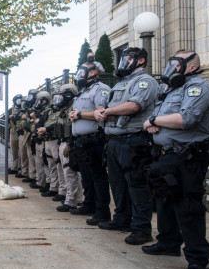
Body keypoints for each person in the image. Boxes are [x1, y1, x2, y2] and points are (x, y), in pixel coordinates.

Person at [142, 51, 209, 269]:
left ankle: (197, 258)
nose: (171, 67)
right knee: (164, 200)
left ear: (191, 67)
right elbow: (150, 118)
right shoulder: (170, 90)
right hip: (165, 155)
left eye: (177, 64)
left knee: (188, 206)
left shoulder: (199, 88)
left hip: (188, 157)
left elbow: (186, 119)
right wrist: (152, 122)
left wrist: (156, 121)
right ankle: (168, 242)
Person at [94, 47, 158, 245]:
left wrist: (109, 111)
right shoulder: (121, 83)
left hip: (134, 140)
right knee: (118, 184)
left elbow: (133, 106)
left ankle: (141, 228)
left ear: (140, 61)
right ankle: (122, 219)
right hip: (114, 140)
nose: (124, 62)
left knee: (137, 185)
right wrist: (100, 111)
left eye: (128, 58)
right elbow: (104, 105)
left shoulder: (145, 81)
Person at [68, 61, 111, 224]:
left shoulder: (101, 89)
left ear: (93, 72)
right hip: (81, 141)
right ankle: (89, 205)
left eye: (83, 71)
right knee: (86, 177)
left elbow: (101, 112)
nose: (80, 74)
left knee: (98, 177)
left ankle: (102, 212)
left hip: (94, 139)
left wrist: (79, 115)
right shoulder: (83, 91)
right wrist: (73, 116)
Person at [54, 84, 84, 212]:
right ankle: (77, 198)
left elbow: (74, 128)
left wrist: (70, 144)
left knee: (70, 172)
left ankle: (71, 201)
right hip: (63, 141)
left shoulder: (74, 106)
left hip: (69, 142)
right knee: (69, 172)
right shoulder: (65, 108)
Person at [31, 91, 52, 193]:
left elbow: (40, 123)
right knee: (40, 162)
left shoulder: (48, 111)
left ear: (44, 100)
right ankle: (41, 182)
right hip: (39, 140)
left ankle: (48, 183)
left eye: (39, 100)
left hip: (45, 140)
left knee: (46, 163)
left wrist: (35, 119)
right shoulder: (42, 111)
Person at [8, 95, 23, 174]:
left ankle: (20, 168)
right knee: (14, 150)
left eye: (20, 100)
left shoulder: (24, 109)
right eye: (17, 100)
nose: (19, 102)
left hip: (20, 131)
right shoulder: (12, 109)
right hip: (13, 131)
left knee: (21, 151)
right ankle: (14, 166)